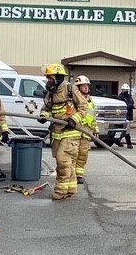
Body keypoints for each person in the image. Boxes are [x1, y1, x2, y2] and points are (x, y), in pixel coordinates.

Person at [39, 63, 87, 201]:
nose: (48, 81)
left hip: (71, 134)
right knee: (68, 164)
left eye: (50, 78)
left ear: (59, 77)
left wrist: (74, 119)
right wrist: (44, 116)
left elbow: (84, 107)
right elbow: (46, 109)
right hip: (57, 134)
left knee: (63, 163)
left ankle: (60, 191)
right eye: (48, 78)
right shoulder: (51, 93)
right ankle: (71, 189)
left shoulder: (70, 89)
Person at [72, 74, 97, 184]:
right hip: (75, 130)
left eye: (87, 86)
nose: (86, 88)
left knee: (83, 154)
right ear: (77, 88)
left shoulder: (90, 100)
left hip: (86, 132)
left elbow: (93, 116)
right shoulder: (73, 100)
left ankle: (79, 175)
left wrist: (96, 128)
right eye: (83, 86)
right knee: (73, 153)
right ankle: (70, 174)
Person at [115, 83, 135, 148]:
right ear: (122, 90)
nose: (126, 91)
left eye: (127, 89)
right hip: (123, 115)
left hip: (129, 114)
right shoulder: (120, 97)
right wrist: (132, 106)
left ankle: (118, 140)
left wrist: (133, 106)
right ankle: (128, 143)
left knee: (124, 129)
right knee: (126, 129)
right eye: (125, 89)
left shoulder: (129, 96)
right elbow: (124, 106)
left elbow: (132, 102)